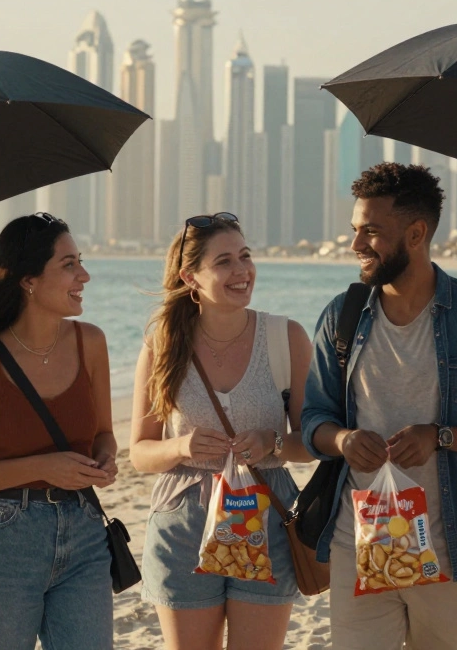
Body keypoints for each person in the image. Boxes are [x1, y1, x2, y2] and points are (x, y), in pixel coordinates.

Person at [301, 163, 457, 650]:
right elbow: (313, 419)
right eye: (354, 230)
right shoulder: (341, 317)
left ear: (416, 232)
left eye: (371, 232)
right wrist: (343, 440)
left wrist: (440, 436)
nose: (356, 245)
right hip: (358, 543)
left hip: (451, 550)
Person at [130, 212, 314, 650]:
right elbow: (139, 452)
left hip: (267, 514)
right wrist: (180, 445)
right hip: (184, 519)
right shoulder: (163, 343)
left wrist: (272, 442)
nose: (242, 271)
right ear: (190, 277)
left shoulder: (286, 336)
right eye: (225, 261)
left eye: (245, 256)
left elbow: (311, 442)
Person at [0, 213, 118, 650]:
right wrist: (44, 467)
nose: (84, 275)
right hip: (5, 539)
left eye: (81, 262)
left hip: (86, 531)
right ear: (29, 280)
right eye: (69, 264)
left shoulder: (90, 342)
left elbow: (105, 434)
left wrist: (106, 459)